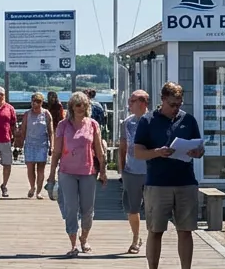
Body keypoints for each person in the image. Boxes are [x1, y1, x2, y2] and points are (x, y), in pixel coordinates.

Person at [132, 81, 205, 269]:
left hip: (185, 182)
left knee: (186, 230)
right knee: (155, 230)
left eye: (179, 104)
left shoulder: (188, 119)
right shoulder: (148, 121)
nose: (176, 108)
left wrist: (197, 153)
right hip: (158, 184)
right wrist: (157, 152)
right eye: (172, 104)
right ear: (162, 99)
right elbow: (137, 152)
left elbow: (199, 148)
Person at [47, 92, 107, 257]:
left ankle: (84, 238)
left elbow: (99, 150)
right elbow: (57, 151)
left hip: (88, 171)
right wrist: (51, 174)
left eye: (84, 105)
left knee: (88, 209)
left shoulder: (93, 124)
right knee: (71, 208)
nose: (81, 108)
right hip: (67, 172)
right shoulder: (63, 125)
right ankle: (73, 244)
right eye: (77, 105)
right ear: (72, 107)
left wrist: (103, 170)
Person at [115, 90, 150, 255]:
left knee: (152, 208)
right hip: (131, 170)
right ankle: (136, 238)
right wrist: (122, 170)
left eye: (132, 101)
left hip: (151, 171)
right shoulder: (127, 122)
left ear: (142, 103)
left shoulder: (153, 121)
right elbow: (122, 146)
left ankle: (153, 239)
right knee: (132, 208)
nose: (129, 104)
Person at [16, 92, 53, 199]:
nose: (35, 104)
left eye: (38, 101)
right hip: (30, 144)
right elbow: (23, 130)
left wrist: (52, 145)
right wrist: (20, 143)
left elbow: (51, 132)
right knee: (30, 168)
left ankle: (39, 192)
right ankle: (32, 187)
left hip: (42, 145)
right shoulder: (27, 114)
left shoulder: (46, 114)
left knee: (40, 169)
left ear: (41, 103)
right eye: (33, 101)